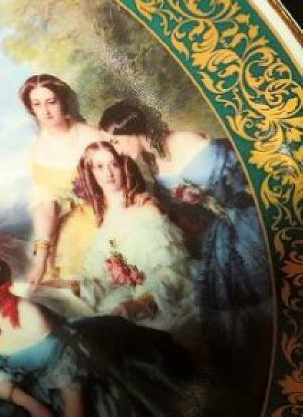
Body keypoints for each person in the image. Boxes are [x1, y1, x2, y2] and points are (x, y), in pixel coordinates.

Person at [99, 100, 271, 391]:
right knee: (230, 311)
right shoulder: (153, 162)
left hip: (249, 214)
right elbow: (193, 213)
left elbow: (242, 172)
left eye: (116, 141)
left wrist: (210, 195)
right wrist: (185, 203)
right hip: (221, 228)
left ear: (130, 130)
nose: (117, 149)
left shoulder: (182, 140)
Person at [0, 243, 197, 417]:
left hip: (69, 389)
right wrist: (32, 406)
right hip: (19, 393)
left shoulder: (32, 319)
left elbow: (72, 392)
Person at [70, 142, 197, 338]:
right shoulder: (101, 216)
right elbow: (100, 274)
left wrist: (141, 304)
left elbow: (172, 272)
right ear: (91, 173)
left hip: (160, 294)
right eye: (100, 167)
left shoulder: (145, 207)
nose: (109, 173)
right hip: (127, 291)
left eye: (114, 164)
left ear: (123, 166)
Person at [19, 75, 104, 285]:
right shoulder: (38, 152)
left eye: (51, 102)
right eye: (37, 104)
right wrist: (41, 258)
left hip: (108, 213)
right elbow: (47, 206)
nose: (45, 111)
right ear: (31, 109)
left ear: (62, 101)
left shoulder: (91, 136)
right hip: (75, 224)